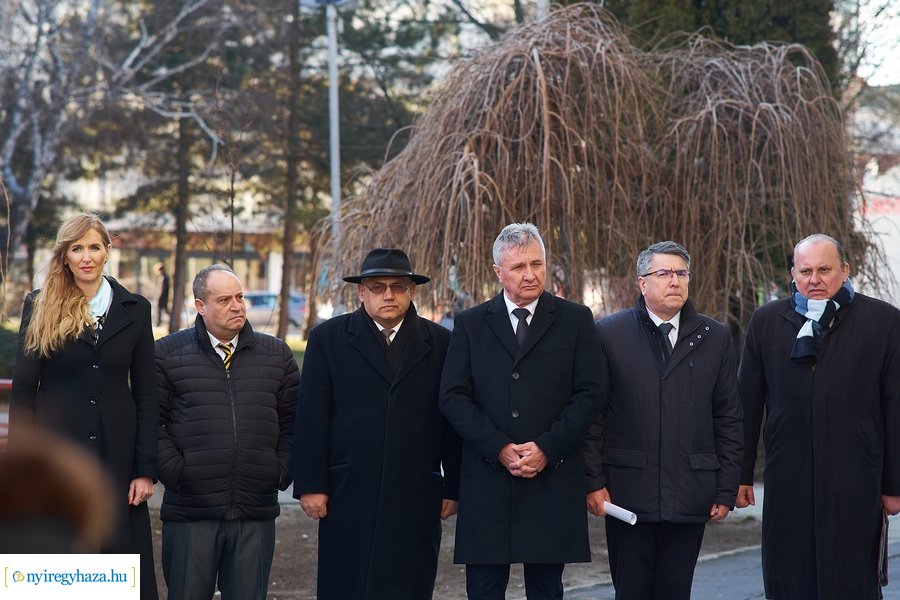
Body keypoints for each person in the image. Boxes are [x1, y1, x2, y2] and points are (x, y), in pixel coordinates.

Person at [439, 222, 605, 600]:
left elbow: (591, 393)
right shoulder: (470, 324)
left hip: (552, 479)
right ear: (498, 272)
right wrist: (498, 446)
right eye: (518, 267)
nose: (530, 274)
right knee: (483, 589)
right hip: (487, 480)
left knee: (547, 589)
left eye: (537, 263)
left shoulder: (576, 319)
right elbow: (452, 396)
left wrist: (548, 448)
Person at [737, 233, 900, 599]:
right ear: (793, 273)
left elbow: (895, 407)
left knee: (852, 579)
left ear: (844, 270)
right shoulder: (765, 322)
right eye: (806, 270)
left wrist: (894, 484)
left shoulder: (884, 321)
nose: (815, 279)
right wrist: (740, 475)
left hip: (856, 477)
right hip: (786, 477)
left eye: (824, 269)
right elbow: (746, 406)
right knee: (788, 577)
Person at [293, 248, 461, 599]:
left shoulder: (442, 343)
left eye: (398, 286)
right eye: (377, 286)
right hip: (347, 492)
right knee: (347, 586)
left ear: (412, 291)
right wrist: (311, 484)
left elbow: (453, 420)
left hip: (415, 495)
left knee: (409, 585)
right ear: (361, 292)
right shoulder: (328, 339)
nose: (388, 294)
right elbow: (311, 416)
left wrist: (452, 486)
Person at [9, 212, 158, 599]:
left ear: (108, 251)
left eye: (94, 247)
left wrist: (144, 469)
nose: (86, 256)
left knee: (117, 569)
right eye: (77, 248)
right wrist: (22, 466)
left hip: (118, 455)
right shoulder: (39, 306)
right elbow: (24, 390)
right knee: (56, 562)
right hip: (57, 454)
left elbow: (146, 391)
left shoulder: (136, 308)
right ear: (65, 255)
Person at [583, 240, 743, 600]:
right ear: (642, 283)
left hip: (690, 492)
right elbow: (592, 417)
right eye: (664, 273)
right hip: (627, 493)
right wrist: (593, 481)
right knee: (632, 592)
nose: (675, 281)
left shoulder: (713, 337)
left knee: (675, 592)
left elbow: (728, 417)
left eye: (681, 273)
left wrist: (725, 489)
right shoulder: (609, 334)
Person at [156, 264, 299, 600]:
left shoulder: (277, 354)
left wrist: (279, 472)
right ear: (200, 305)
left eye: (239, 297)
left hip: (255, 509)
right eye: (224, 300)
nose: (237, 306)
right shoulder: (166, 354)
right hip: (190, 511)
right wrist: (178, 473)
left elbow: (295, 421)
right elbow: (149, 423)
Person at [155, 262, 170, 327]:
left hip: (163, 298)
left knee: (161, 311)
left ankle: (158, 323)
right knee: (163, 311)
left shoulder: (164, 278)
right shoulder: (163, 277)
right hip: (163, 298)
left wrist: (158, 298)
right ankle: (159, 323)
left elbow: (162, 290)